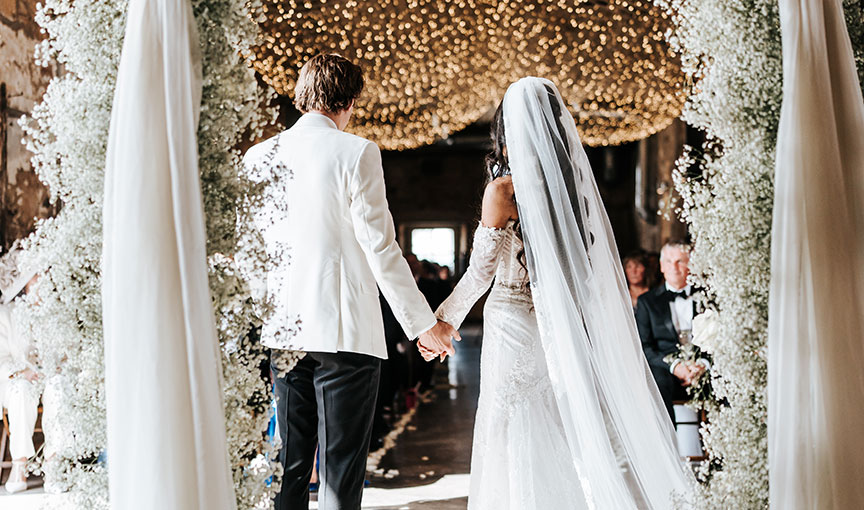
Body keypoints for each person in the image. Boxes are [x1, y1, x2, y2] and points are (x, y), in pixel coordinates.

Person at [427, 78, 693, 510]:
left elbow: (479, 273)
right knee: (556, 419)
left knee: (510, 425)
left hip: (511, 322)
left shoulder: (503, 190)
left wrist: (441, 322)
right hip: (557, 321)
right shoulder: (572, 194)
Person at [243, 53, 459, 510]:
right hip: (343, 334)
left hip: (283, 331)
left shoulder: (258, 156)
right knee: (341, 468)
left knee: (291, 466)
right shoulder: (357, 151)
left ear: (303, 94)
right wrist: (424, 325)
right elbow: (380, 248)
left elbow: (252, 253)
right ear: (351, 101)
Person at [635, 240, 710, 422]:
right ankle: (669, 445)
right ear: (661, 266)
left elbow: (721, 341)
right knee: (657, 382)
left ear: (691, 265)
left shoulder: (708, 297)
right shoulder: (647, 302)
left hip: (703, 366)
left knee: (726, 378)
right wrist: (676, 366)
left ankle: (724, 444)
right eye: (669, 261)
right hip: (667, 369)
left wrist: (702, 364)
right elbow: (644, 347)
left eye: (680, 261)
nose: (674, 267)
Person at [0, 270, 40, 494]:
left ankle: (55, 461)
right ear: (25, 285)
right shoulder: (6, 315)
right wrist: (22, 372)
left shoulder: (57, 313)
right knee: (21, 390)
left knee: (59, 387)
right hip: (14, 380)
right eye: (36, 279)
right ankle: (20, 464)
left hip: (46, 378)